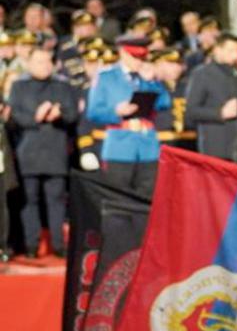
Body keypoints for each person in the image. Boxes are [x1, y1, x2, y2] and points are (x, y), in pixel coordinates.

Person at [5, 47, 79, 260]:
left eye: (48, 61)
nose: (45, 66)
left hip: (56, 151)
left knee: (56, 200)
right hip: (29, 151)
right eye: (39, 62)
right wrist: (35, 118)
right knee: (29, 200)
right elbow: (14, 116)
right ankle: (31, 244)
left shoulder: (62, 86)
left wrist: (59, 114)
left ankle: (59, 245)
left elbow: (73, 115)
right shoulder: (19, 86)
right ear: (29, 64)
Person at [85, 33, 169, 192]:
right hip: (119, 146)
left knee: (148, 196)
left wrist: (153, 81)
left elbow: (165, 103)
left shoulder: (147, 76)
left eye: (142, 57)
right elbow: (93, 112)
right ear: (123, 53)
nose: (139, 61)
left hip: (148, 146)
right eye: (135, 56)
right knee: (118, 197)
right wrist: (116, 111)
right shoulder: (106, 77)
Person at [185, 32, 237, 163]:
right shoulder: (202, 74)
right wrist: (220, 113)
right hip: (214, 147)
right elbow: (191, 111)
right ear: (217, 50)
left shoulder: (236, 75)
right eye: (231, 50)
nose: (235, 55)